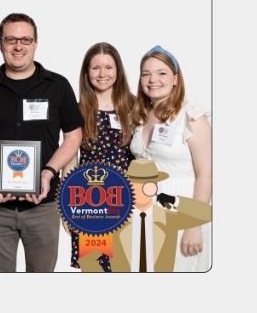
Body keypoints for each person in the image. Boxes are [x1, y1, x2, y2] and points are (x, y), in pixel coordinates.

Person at [0, 13, 83, 272]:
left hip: (44, 203)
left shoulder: (58, 86)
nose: (18, 46)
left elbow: (73, 136)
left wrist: (48, 173)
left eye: (25, 39)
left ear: (35, 43)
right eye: (11, 39)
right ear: (0, 43)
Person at [129, 45, 211, 272]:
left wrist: (194, 225)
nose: (153, 79)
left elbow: (206, 175)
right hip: (145, 212)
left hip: (182, 212)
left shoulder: (191, 118)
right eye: (146, 73)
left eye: (161, 73)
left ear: (176, 79)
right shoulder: (141, 117)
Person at [63, 42, 136, 271]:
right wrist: (67, 209)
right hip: (90, 203)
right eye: (96, 68)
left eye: (108, 67)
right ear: (87, 72)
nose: (102, 74)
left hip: (128, 201)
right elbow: (70, 158)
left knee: (126, 266)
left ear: (118, 70)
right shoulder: (77, 109)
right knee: (94, 267)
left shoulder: (134, 106)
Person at [77, 159, 211, 272]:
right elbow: (87, 257)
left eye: (147, 184)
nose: (141, 189)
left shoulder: (167, 218)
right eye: (135, 184)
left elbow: (205, 213)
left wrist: (175, 200)